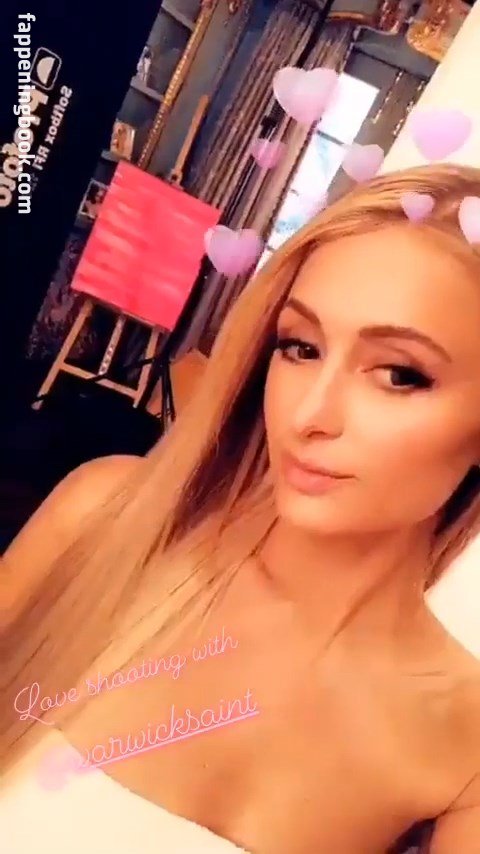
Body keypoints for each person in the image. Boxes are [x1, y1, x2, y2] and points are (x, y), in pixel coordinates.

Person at [2, 163, 480, 853]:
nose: (310, 414)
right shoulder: (107, 521)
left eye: (400, 374)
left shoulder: (463, 747)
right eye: (301, 347)